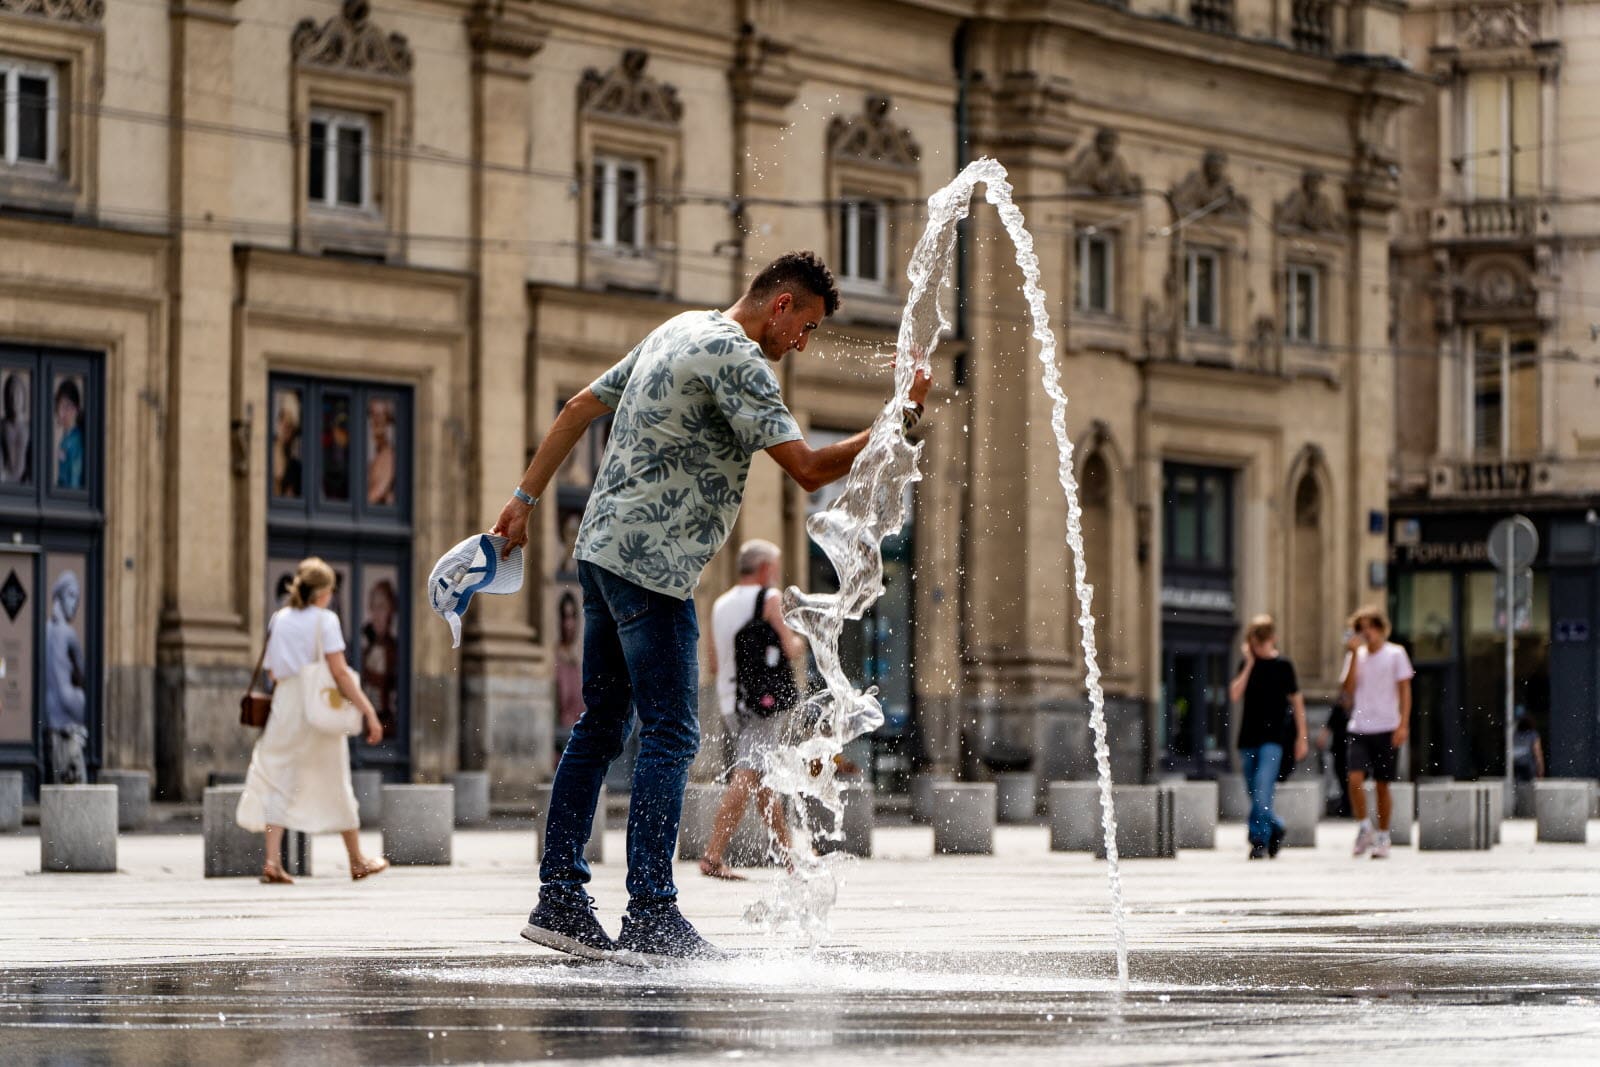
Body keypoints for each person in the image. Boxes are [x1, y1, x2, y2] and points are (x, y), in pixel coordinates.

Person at [493, 250, 932, 961]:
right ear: (780, 305)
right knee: (671, 732)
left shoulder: (680, 327)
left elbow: (578, 407)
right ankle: (651, 911)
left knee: (600, 724)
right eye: (807, 327)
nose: (803, 344)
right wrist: (900, 419)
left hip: (599, 554)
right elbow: (810, 469)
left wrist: (522, 502)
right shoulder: (740, 360)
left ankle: (561, 899)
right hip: (654, 570)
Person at [236, 557, 389, 884]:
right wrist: (368, 711)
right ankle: (357, 860)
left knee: (278, 778)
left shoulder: (279, 618)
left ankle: (272, 861)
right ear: (323, 592)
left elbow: (273, 672)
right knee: (336, 779)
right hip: (317, 711)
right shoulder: (326, 620)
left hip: (285, 706)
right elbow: (339, 673)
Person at [699, 539, 806, 880]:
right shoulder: (770, 599)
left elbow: (714, 663)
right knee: (747, 775)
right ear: (764, 569)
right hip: (762, 704)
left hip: (732, 700)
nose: (774, 573)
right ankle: (712, 856)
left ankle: (790, 858)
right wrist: (803, 638)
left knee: (762, 782)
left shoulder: (720, 603)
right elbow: (790, 648)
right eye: (773, 567)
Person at [1228, 614, 1308, 860]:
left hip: (1273, 740)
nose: (1260, 647)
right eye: (1255, 643)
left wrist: (1302, 737)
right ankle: (1277, 825)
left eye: (1263, 642)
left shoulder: (1284, 665)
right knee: (1254, 793)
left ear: (1273, 639)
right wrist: (1250, 663)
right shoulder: (1247, 665)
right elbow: (1234, 694)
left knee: (1263, 789)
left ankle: (1258, 840)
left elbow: (1297, 701)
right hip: (1247, 738)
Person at [1341, 606, 1414, 860]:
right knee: (1354, 779)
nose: (1366, 632)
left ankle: (1383, 835)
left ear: (1381, 629)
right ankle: (1364, 827)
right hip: (1360, 726)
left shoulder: (1396, 654)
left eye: (1371, 627)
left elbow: (1405, 690)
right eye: (1361, 628)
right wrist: (1351, 656)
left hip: (1386, 726)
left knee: (1383, 785)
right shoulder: (1356, 656)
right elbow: (1347, 690)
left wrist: (1403, 724)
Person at [43, 570, 88, 785]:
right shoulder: (68, 634)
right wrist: (79, 700)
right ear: (59, 595)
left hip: (50, 714)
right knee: (72, 775)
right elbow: (82, 673)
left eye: (77, 598)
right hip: (68, 714)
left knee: (59, 773)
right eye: (71, 595)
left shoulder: (45, 630)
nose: (75, 604)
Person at [53, 377, 84, 490]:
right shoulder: (66, 438)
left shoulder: (76, 440)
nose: (61, 412)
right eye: (59, 406)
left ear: (75, 409)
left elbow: (74, 478)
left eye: (66, 406)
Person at [1, 370, 31, 484]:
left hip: (25, 484)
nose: (14, 399)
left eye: (18, 394)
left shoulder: (29, 428)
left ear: (23, 396)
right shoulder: (2, 426)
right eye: (11, 394)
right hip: (5, 480)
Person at [1512, 709, 1544, 782]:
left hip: (1516, 766)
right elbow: (1537, 752)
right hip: (1527, 768)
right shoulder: (1533, 734)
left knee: (1516, 789)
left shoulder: (1514, 734)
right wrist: (1541, 769)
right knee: (1528, 789)